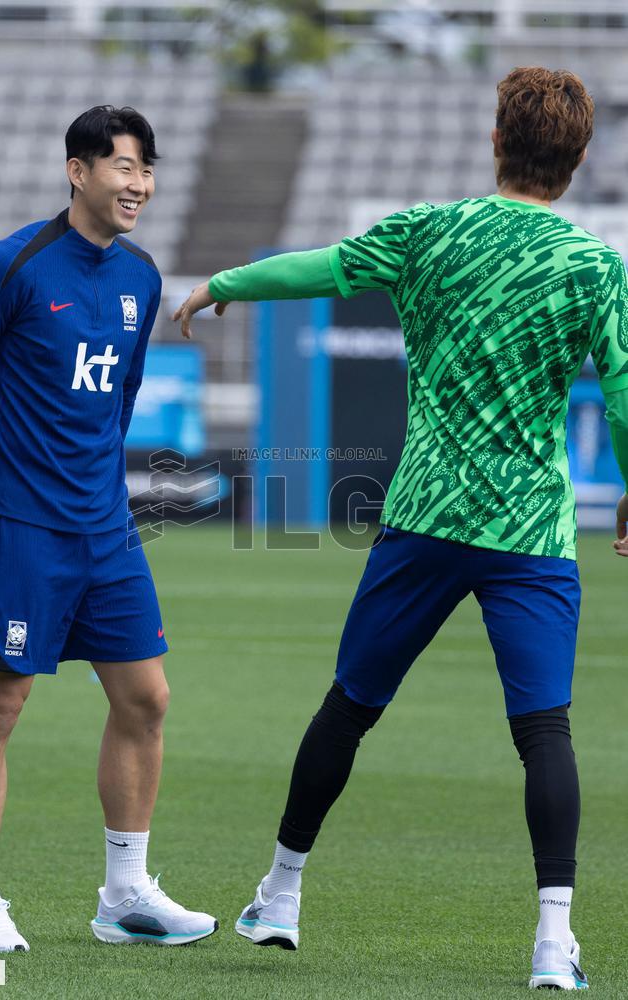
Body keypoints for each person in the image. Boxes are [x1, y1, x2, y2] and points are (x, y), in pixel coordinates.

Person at [174, 67, 628, 990]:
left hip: (425, 516)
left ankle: (281, 893)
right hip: (531, 531)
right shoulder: (596, 265)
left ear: (496, 141)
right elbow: (621, 394)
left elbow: (320, 267)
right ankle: (553, 941)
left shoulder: (431, 230)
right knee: (545, 731)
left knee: (349, 707)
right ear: (579, 159)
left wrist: (226, 282)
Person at [0, 105, 217, 953]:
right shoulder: (14, 265)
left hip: (104, 527)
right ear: (78, 172)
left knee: (146, 698)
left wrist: (99, 494)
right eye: (124, 166)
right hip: (16, 526)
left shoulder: (142, 277)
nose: (139, 184)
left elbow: (121, 397)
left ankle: (125, 895)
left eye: (147, 169)